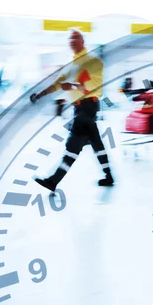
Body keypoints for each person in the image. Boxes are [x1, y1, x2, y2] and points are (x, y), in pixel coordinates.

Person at [31, 29, 114, 191]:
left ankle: (53, 181)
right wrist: (40, 94)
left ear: (83, 41)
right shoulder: (71, 65)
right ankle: (108, 175)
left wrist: (73, 86)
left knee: (74, 145)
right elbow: (58, 83)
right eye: (70, 38)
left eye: (76, 37)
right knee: (95, 144)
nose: (73, 40)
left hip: (88, 107)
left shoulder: (93, 61)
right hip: (79, 109)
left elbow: (96, 86)